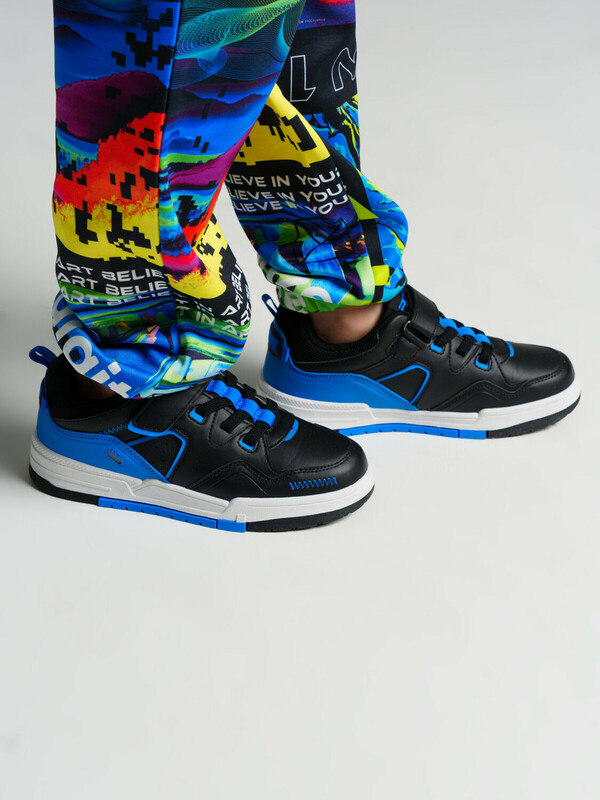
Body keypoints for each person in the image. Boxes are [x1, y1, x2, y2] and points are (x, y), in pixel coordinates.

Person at [29, 0, 579, 532]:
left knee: (286, 29)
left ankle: (343, 319)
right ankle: (125, 380)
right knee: (169, 27)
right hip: (123, 382)